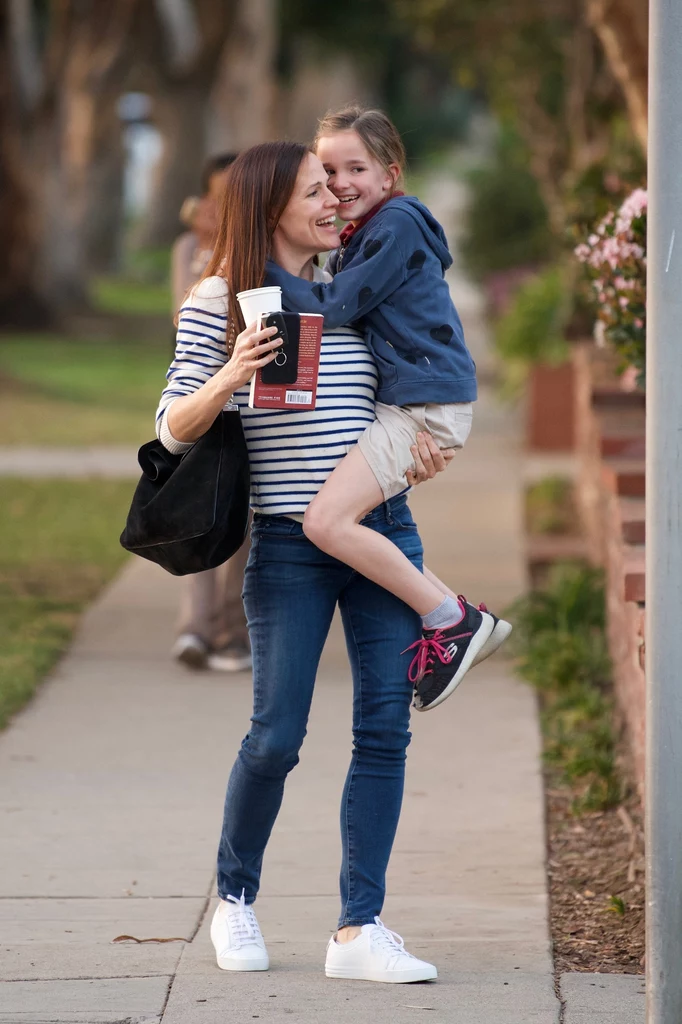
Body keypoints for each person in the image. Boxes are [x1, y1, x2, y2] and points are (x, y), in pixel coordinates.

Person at [155, 141, 457, 983]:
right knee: (277, 735)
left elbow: (400, 400)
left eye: (334, 186)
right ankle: (236, 898)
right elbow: (169, 425)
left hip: (380, 532)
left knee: (384, 730)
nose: (333, 199)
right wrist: (231, 375)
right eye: (314, 190)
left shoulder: (352, 287)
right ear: (269, 205)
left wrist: (419, 448)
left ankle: (359, 929)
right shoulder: (222, 298)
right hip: (288, 545)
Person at [265, 106, 511, 712]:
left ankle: (450, 619)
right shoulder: (360, 236)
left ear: (389, 175)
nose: (341, 183)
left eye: (357, 168)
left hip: (424, 408)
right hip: (415, 406)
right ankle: (464, 619)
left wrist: (261, 268)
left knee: (325, 522)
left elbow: (337, 306)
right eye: (327, 171)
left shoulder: (396, 223)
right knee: (337, 516)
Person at [169, 153, 252, 673]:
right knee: (196, 514)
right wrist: (206, 258)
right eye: (217, 195)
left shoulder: (259, 255)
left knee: (240, 520)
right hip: (199, 396)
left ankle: (231, 630)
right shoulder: (190, 249)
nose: (224, 207)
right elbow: (180, 317)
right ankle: (194, 628)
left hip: (247, 403)